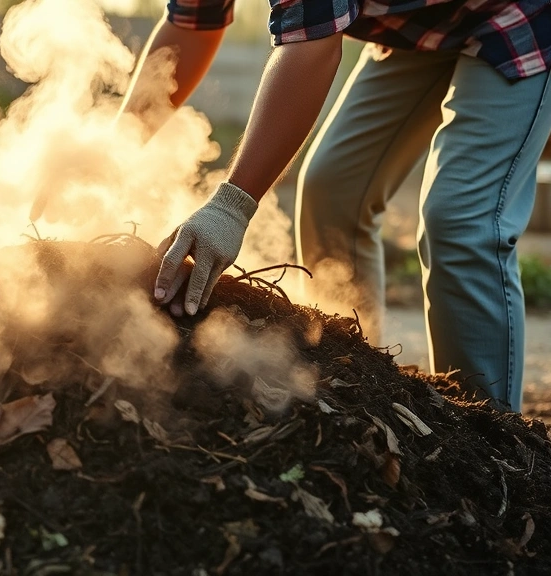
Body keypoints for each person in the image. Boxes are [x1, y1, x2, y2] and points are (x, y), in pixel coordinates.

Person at [130, 0, 549, 410]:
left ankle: (488, 438)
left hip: (517, 19)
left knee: (459, 220)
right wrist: (118, 146)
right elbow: (192, 23)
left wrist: (230, 206)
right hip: (420, 24)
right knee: (333, 190)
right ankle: (359, 378)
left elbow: (310, 46)